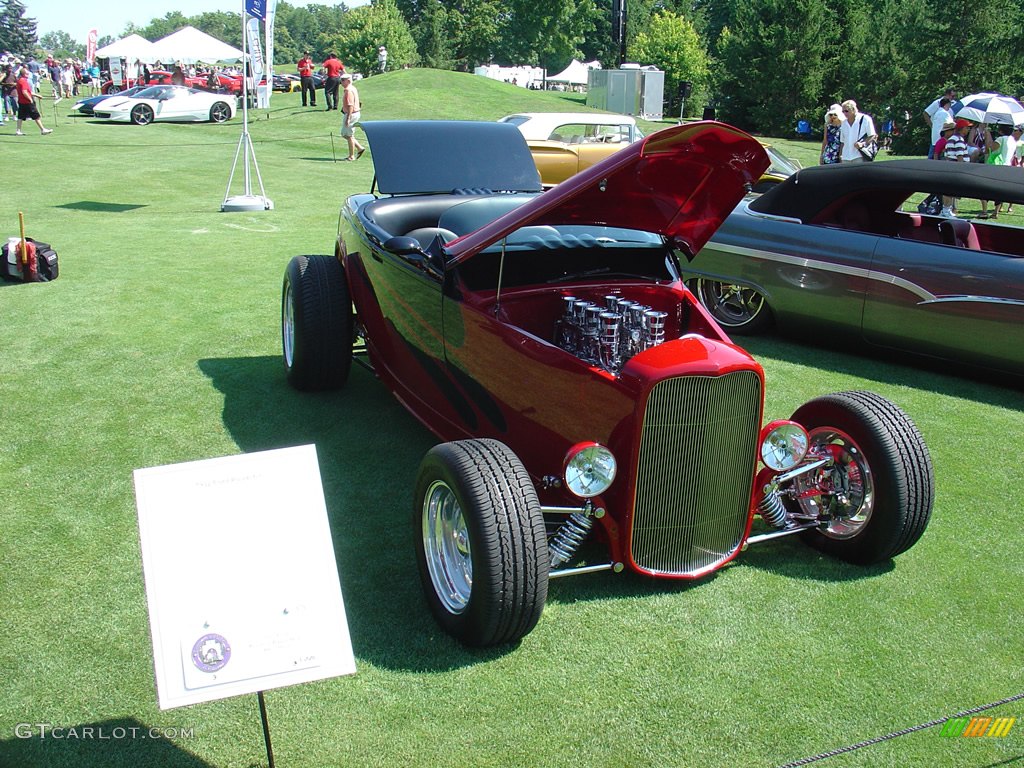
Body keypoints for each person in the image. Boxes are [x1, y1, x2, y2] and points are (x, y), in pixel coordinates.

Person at [984, 124, 1017, 219]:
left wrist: (988, 134)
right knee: (999, 191)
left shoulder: (1001, 139)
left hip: (997, 167)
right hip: (1007, 166)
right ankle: (995, 212)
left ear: (1001, 130)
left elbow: (990, 147)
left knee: (987, 188)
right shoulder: (1012, 140)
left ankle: (984, 211)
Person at [940, 118, 972, 217]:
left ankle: (946, 209)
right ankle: (946, 210)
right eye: (967, 128)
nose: (968, 130)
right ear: (962, 128)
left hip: (950, 167)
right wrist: (962, 169)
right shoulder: (959, 140)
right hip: (956, 168)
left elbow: (947, 154)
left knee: (949, 190)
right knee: (950, 190)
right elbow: (960, 156)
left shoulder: (951, 139)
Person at [14, 66, 52, 135]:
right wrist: (30, 99)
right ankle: (43, 130)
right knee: (36, 116)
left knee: (20, 116)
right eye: (27, 74)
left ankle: (18, 131)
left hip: (21, 102)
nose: (28, 75)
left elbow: (29, 91)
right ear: (24, 74)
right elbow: (24, 92)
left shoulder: (20, 80)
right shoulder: (23, 81)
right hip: (27, 102)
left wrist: (37, 95)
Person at [339, 72, 365, 161]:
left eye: (343, 80)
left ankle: (351, 156)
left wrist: (348, 118)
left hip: (351, 114)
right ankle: (359, 148)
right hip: (354, 113)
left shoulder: (348, 90)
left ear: (348, 81)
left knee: (349, 135)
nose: (341, 82)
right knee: (344, 134)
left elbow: (350, 105)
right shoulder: (352, 88)